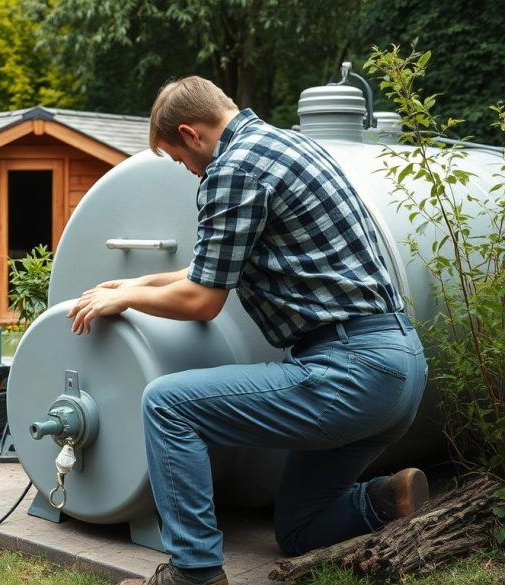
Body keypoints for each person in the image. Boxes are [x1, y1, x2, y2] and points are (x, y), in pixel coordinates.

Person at [66, 76, 429, 585]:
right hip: (400, 365)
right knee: (299, 528)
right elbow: (214, 268)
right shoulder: (288, 145)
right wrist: (139, 281)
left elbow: (202, 300)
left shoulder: (232, 170)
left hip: (348, 370)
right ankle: (388, 497)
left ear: (192, 134)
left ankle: (193, 573)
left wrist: (126, 298)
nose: (189, 171)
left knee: (168, 403)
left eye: (179, 158)